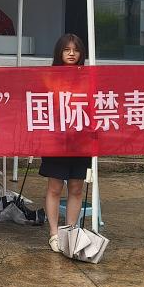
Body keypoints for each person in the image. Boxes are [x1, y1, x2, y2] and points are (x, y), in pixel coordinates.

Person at [40, 34, 92, 253]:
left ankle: (70, 231)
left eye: (76, 50)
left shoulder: (89, 77)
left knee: (76, 187)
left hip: (81, 141)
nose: (71, 54)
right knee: (54, 186)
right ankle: (54, 233)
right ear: (59, 52)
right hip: (56, 140)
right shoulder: (48, 77)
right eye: (67, 50)